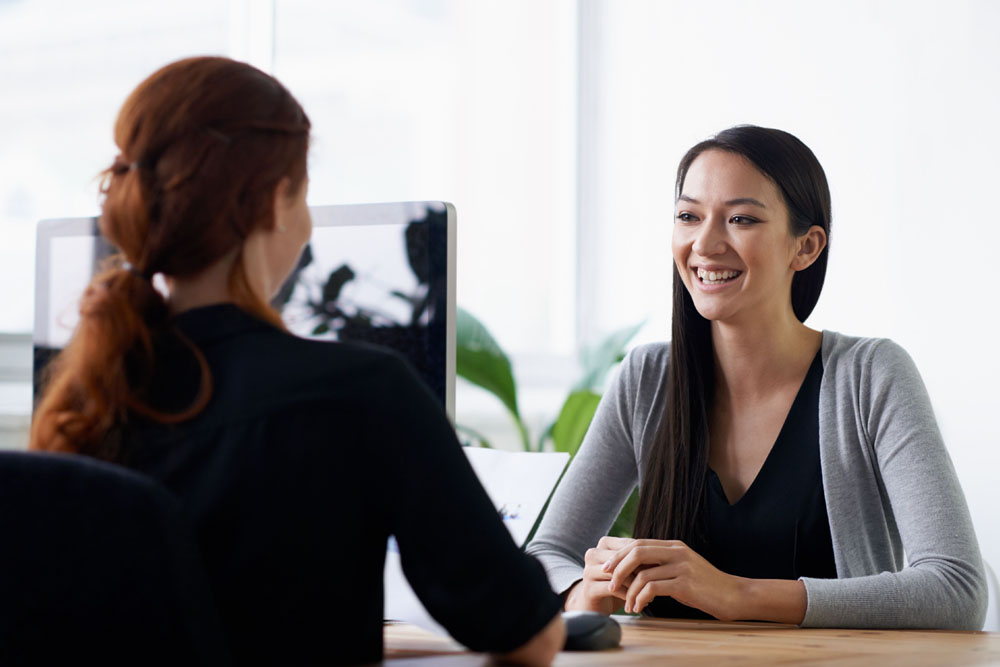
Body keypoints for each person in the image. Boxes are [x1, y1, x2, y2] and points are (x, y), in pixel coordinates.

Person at [29, 56, 565, 665]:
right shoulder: (363, 392)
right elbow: (529, 637)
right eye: (305, 196)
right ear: (276, 203)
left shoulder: (86, 402)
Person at [526, 125, 987, 630]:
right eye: (688, 216)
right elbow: (548, 553)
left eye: (741, 219)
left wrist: (734, 594)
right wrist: (580, 592)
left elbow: (955, 588)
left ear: (806, 248)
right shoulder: (645, 380)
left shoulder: (872, 377)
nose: (704, 243)